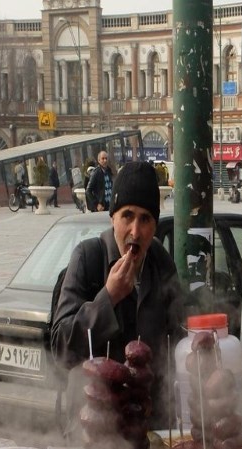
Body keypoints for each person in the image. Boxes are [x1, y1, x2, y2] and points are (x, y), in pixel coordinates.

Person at [51, 161, 186, 430]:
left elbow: (178, 336)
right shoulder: (88, 258)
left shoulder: (161, 264)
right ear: (113, 217)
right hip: (93, 427)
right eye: (127, 215)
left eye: (145, 219)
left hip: (148, 425)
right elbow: (61, 347)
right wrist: (108, 297)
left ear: (154, 226)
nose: (135, 231)